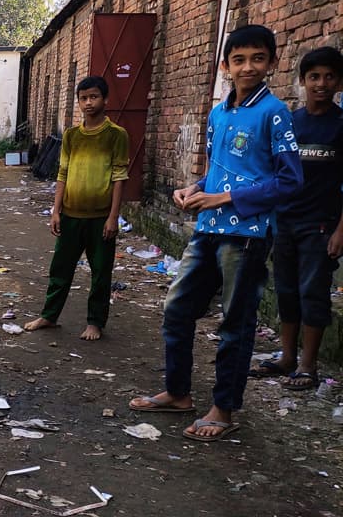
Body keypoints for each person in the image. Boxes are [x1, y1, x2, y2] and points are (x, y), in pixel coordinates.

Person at [128, 25, 303, 442]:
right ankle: (177, 392)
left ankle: (223, 408)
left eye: (257, 59)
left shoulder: (274, 112)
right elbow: (218, 171)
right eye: (239, 60)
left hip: (247, 234)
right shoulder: (219, 113)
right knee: (177, 309)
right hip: (207, 229)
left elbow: (290, 181)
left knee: (234, 323)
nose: (248, 67)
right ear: (225, 66)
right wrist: (194, 189)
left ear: (272, 63)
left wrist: (224, 198)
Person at [249, 46, 343, 389]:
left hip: (320, 226)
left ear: (339, 81)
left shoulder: (339, 126)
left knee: (313, 293)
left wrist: (340, 231)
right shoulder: (290, 122)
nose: (321, 83)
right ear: (302, 80)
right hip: (284, 221)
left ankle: (308, 365)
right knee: (286, 290)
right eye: (314, 76)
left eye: (329, 76)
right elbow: (270, 171)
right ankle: (287, 358)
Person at [24, 76, 129, 341]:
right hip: (71, 214)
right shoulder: (71, 136)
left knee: (101, 272)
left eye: (94, 97)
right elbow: (63, 173)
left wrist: (113, 217)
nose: (89, 102)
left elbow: (119, 177)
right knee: (60, 268)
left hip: (100, 218)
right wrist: (56, 210)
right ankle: (49, 315)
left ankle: (95, 322)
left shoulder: (116, 135)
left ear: (105, 99)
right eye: (83, 98)